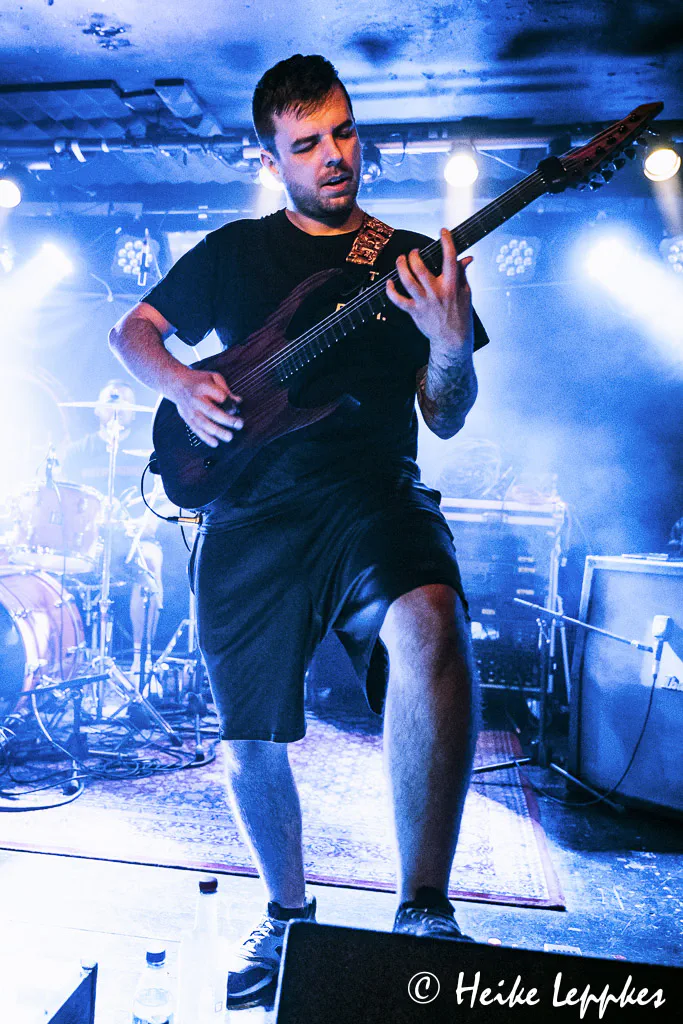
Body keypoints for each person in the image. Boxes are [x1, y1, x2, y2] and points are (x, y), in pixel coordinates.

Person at [109, 54, 489, 1009]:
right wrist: (180, 385)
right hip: (248, 505)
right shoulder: (235, 252)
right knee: (247, 734)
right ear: (271, 158)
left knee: (431, 620)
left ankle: (424, 912)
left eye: (344, 132)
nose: (334, 156)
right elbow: (133, 333)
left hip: (370, 493)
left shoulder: (413, 262)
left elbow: (444, 416)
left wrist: (448, 342)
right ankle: (285, 918)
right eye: (309, 142)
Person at [61, 380, 164, 683]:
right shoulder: (77, 452)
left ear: (134, 412)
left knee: (151, 562)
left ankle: (141, 664)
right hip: (86, 541)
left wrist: (149, 521)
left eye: (125, 403)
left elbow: (163, 494)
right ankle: (59, 662)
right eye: (111, 400)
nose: (118, 408)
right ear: (97, 409)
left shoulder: (150, 450)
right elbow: (62, 501)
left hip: (133, 539)